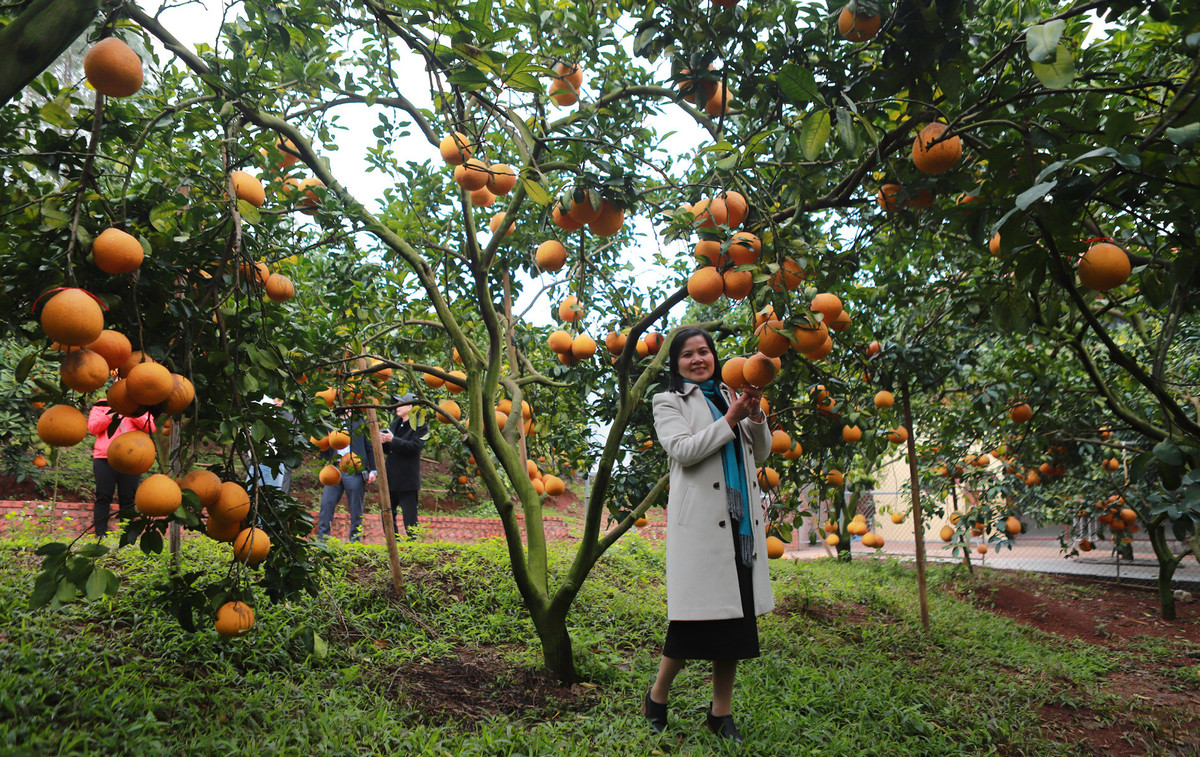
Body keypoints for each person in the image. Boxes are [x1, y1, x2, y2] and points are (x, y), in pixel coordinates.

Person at [643, 327, 773, 743]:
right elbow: (682, 450)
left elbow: (760, 451)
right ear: (675, 363)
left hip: (740, 528)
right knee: (688, 628)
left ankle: (721, 713)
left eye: (704, 352)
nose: (698, 359)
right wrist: (731, 420)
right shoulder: (667, 401)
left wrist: (752, 414)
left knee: (734, 627)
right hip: (701, 529)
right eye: (688, 355)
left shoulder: (727, 394)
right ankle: (657, 698)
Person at [87, 399, 156, 537]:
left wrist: (130, 411)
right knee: (103, 496)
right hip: (104, 457)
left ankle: (127, 536)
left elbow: (150, 427)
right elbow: (93, 427)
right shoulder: (102, 404)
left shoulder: (138, 405)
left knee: (128, 498)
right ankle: (100, 535)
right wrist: (112, 413)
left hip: (131, 459)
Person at [317, 409, 378, 542]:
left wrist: (373, 469)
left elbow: (370, 446)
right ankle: (322, 539)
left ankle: (355, 540)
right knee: (327, 503)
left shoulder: (360, 422)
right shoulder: (331, 423)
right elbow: (324, 445)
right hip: (335, 469)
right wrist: (326, 464)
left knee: (356, 508)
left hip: (354, 469)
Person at [379, 393, 428, 539]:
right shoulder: (395, 423)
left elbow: (414, 447)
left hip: (407, 479)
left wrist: (393, 440)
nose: (397, 407)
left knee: (410, 517)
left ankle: (413, 546)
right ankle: (393, 541)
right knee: (387, 511)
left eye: (401, 403)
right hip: (391, 476)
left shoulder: (420, 426)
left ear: (410, 407)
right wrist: (384, 442)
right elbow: (390, 449)